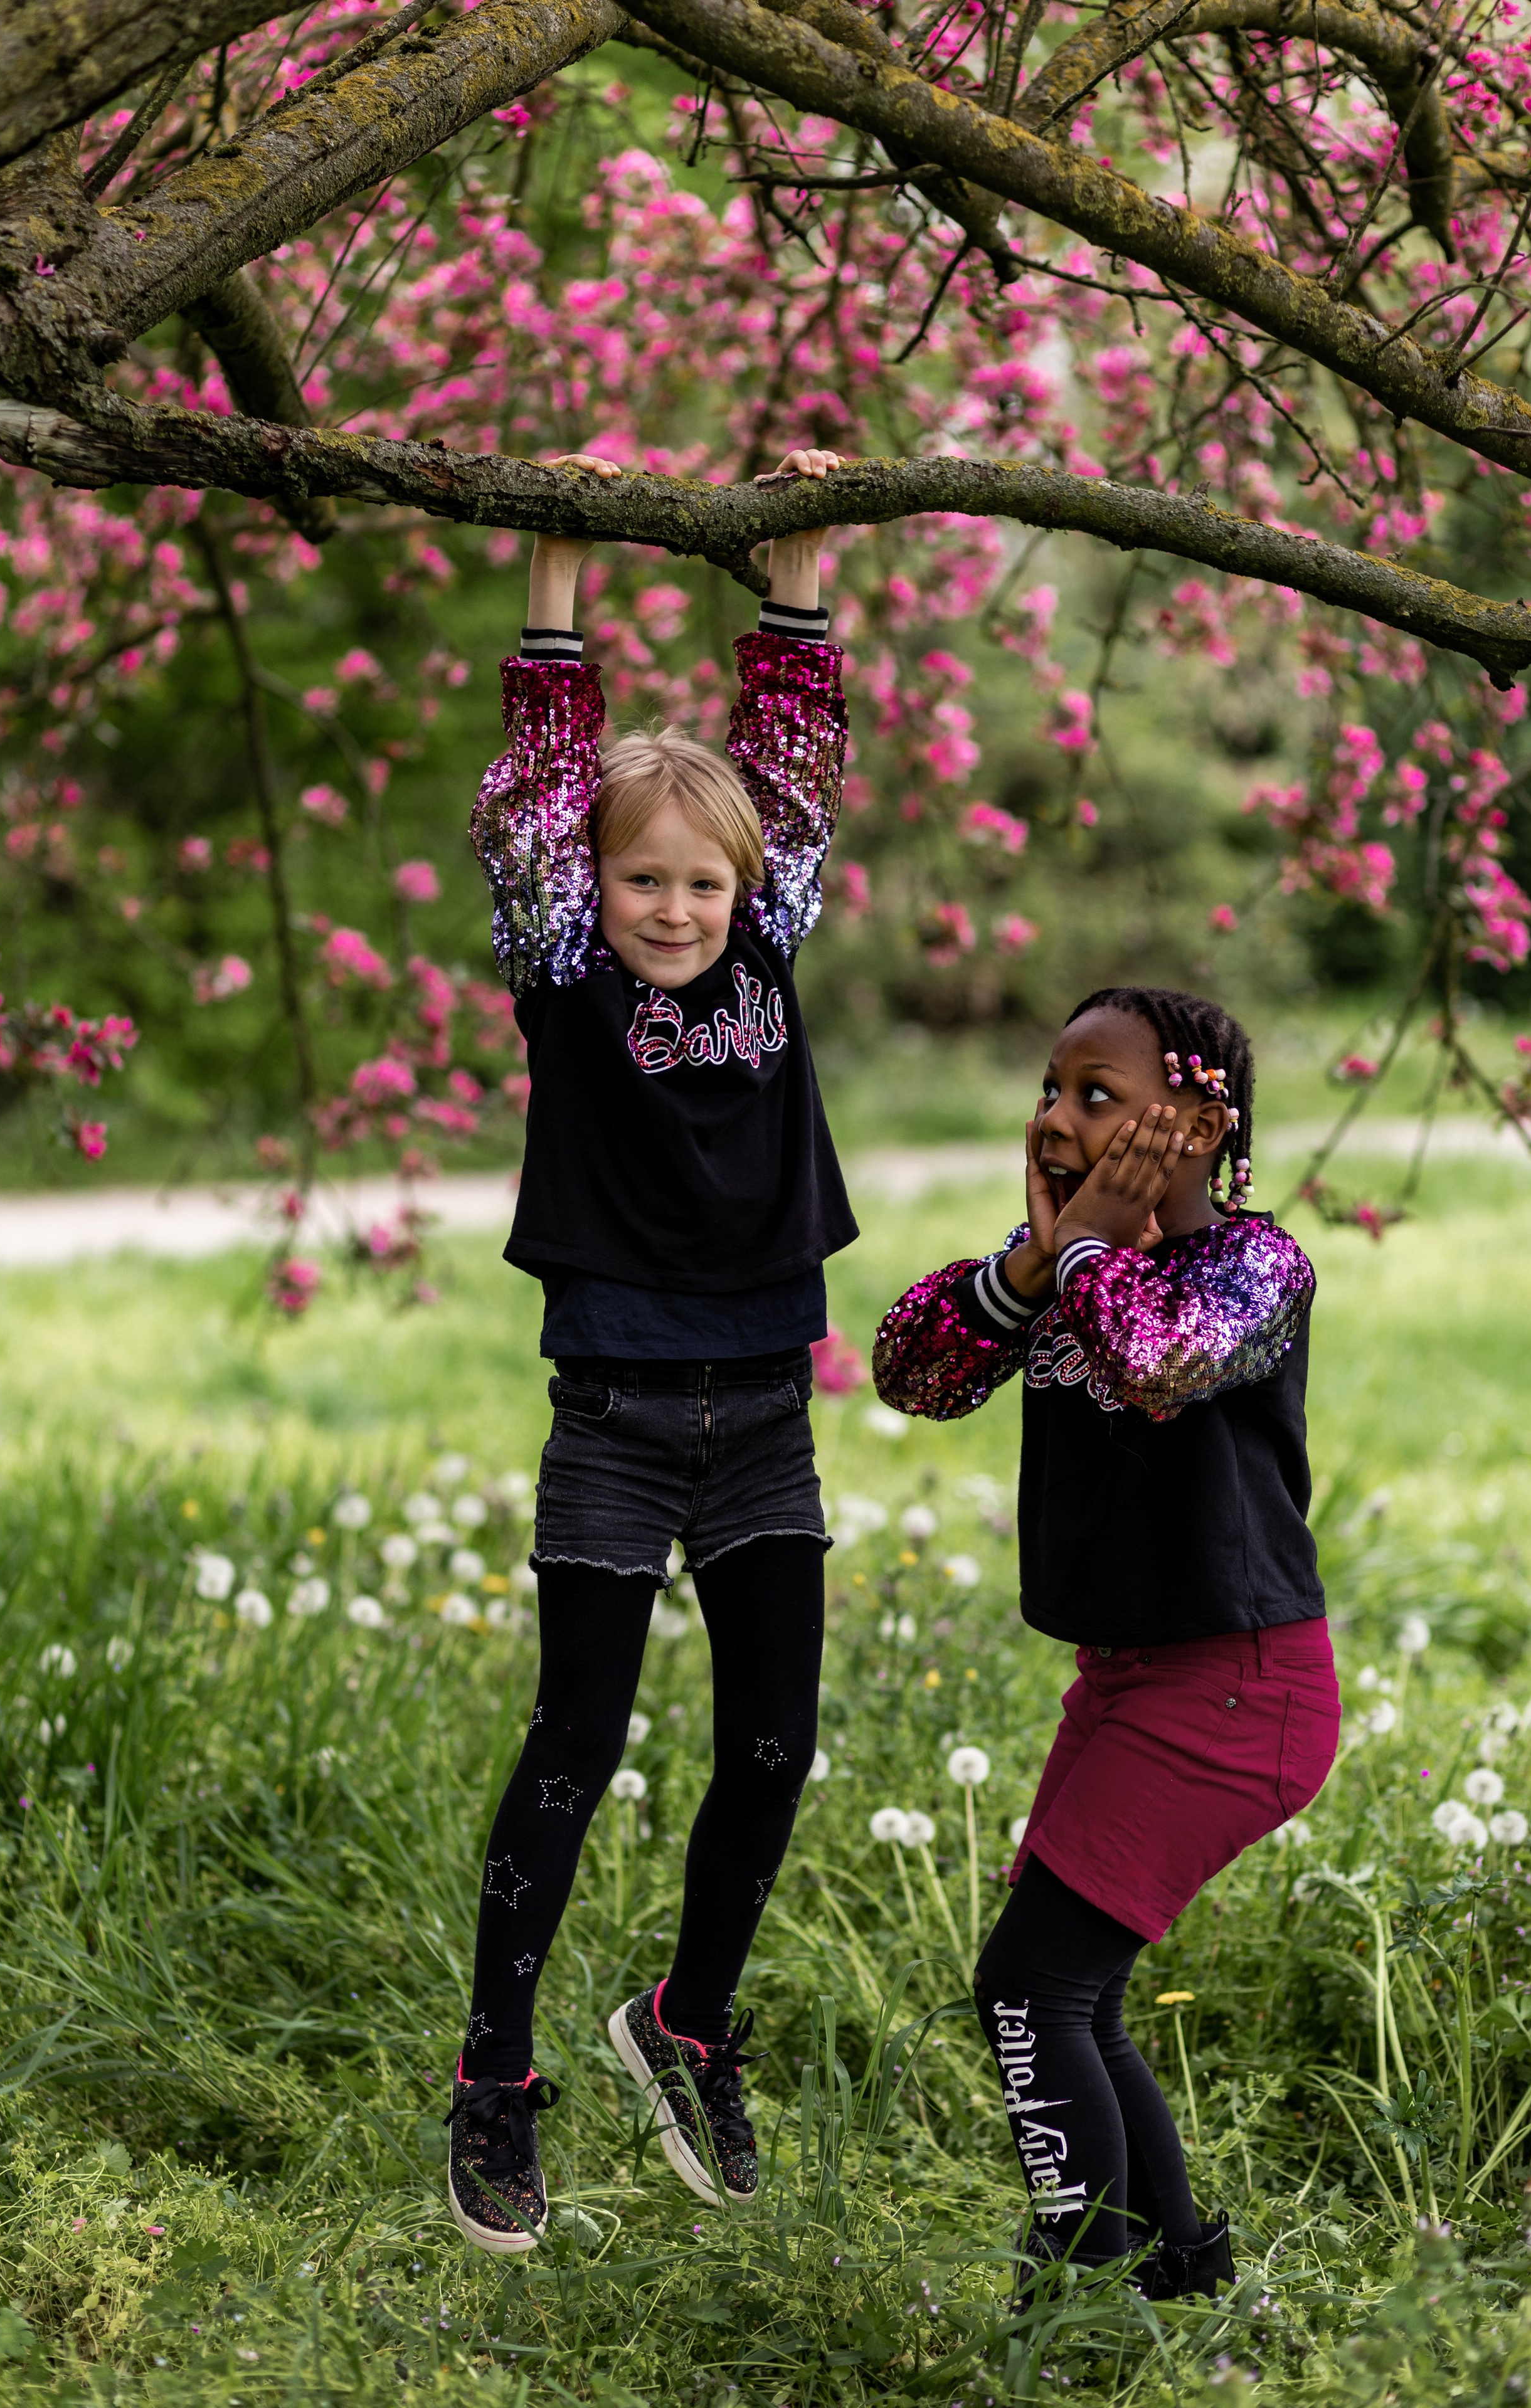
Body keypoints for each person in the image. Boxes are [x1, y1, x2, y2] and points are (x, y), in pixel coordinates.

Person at [447, 447, 857, 2254]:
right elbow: (541, 797)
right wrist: (555, 587)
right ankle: (495, 2078)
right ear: (590, 890)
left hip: (767, 1415)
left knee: (774, 1746)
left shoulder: (771, 939)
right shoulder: (564, 967)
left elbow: (801, 765)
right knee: (577, 1741)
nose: (675, 908)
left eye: (701, 882)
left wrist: (803, 572)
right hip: (614, 1417)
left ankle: (685, 2026)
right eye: (642, 883)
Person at [872, 986, 1340, 2301]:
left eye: (1095, 1093)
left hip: (1236, 1688)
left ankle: (1076, 2284)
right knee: (1069, 1993)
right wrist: (1029, 1266)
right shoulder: (1054, 1266)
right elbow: (910, 1374)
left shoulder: (1256, 1267)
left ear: (1196, 1124)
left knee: (1026, 1983)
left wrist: (1078, 1251)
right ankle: (1176, 2278)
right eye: (1049, 1086)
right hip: (1130, 1679)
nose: (1053, 1115)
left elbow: (1155, 1362)